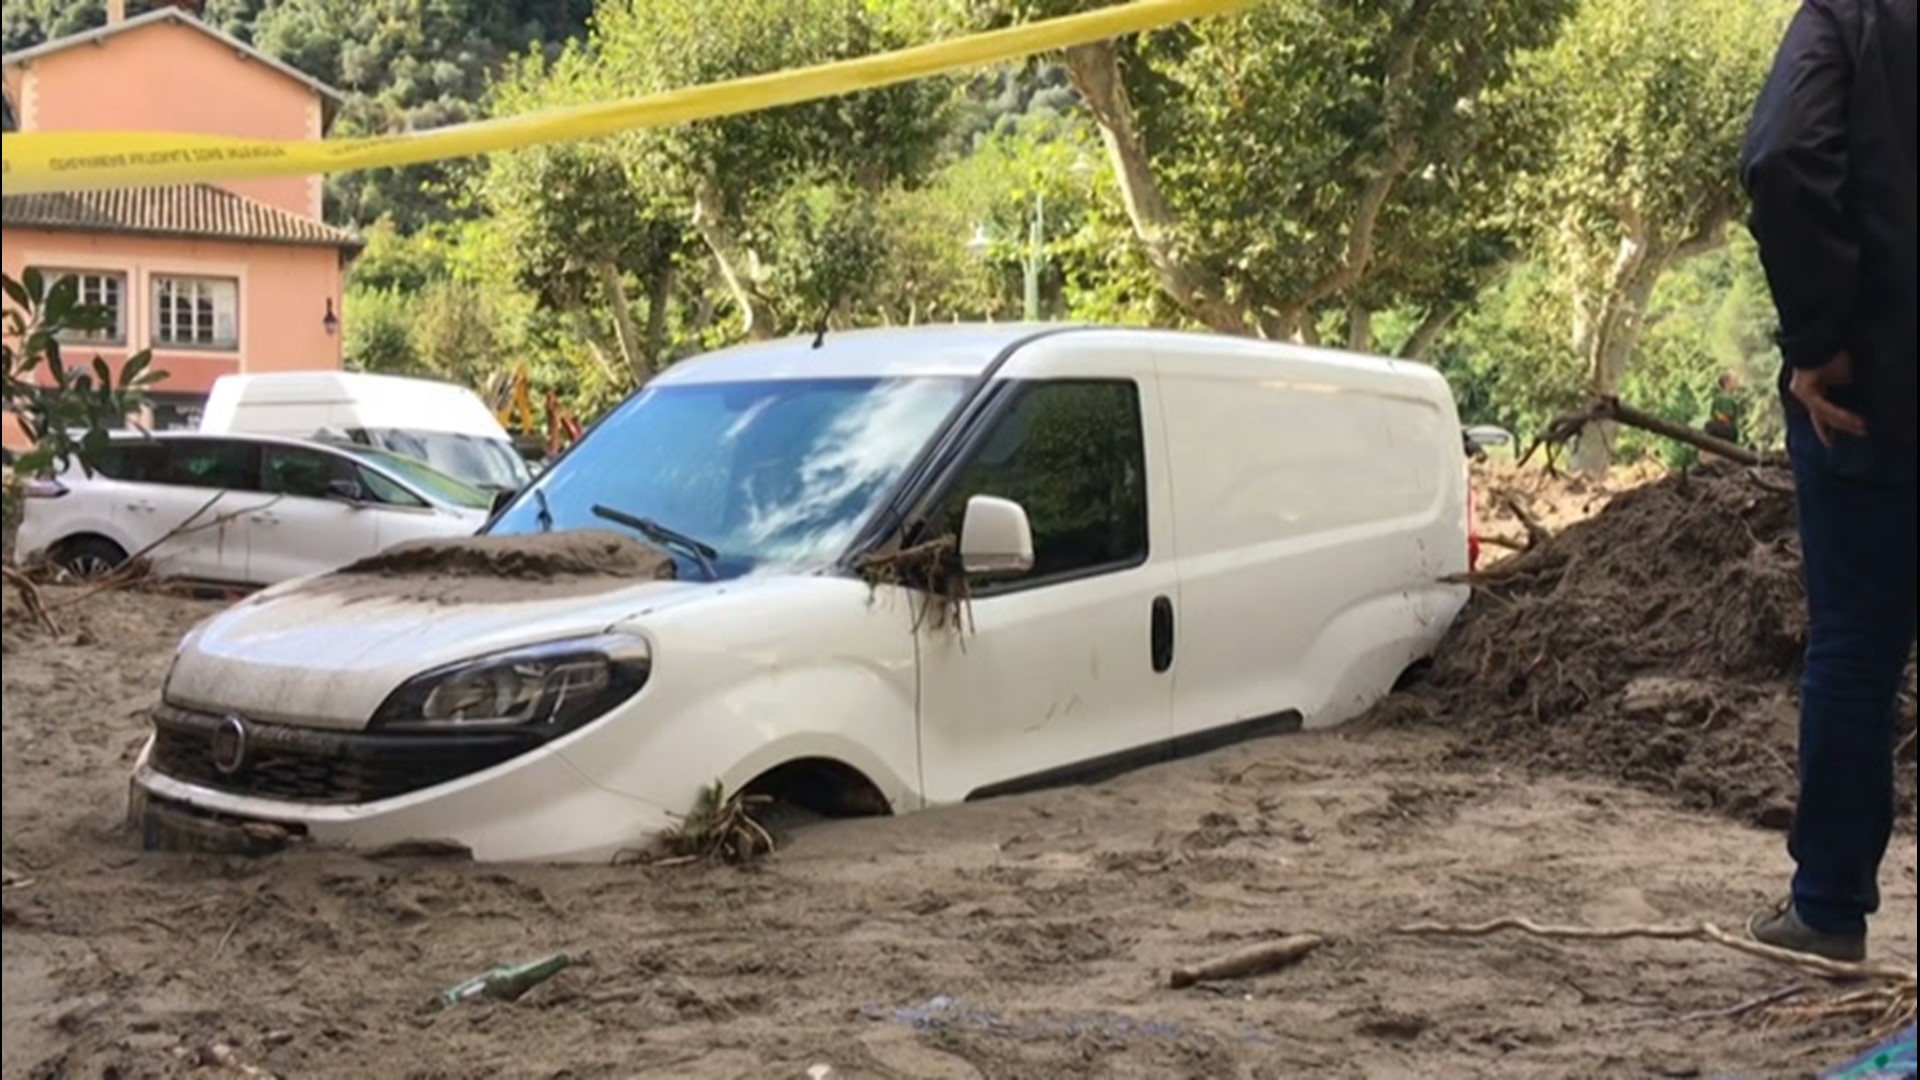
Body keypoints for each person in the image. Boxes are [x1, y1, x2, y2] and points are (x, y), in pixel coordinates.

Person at [1740, 0, 1916, 962]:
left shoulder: (1849, 14)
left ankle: (1827, 911)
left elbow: (1783, 158)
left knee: (1856, 654)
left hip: (1873, 396)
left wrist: (1817, 342)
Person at [1704, 371, 1743, 447]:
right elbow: (1724, 417)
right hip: (1726, 435)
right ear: (1727, 383)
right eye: (1733, 380)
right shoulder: (1726, 398)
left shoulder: (1719, 397)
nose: (1736, 382)